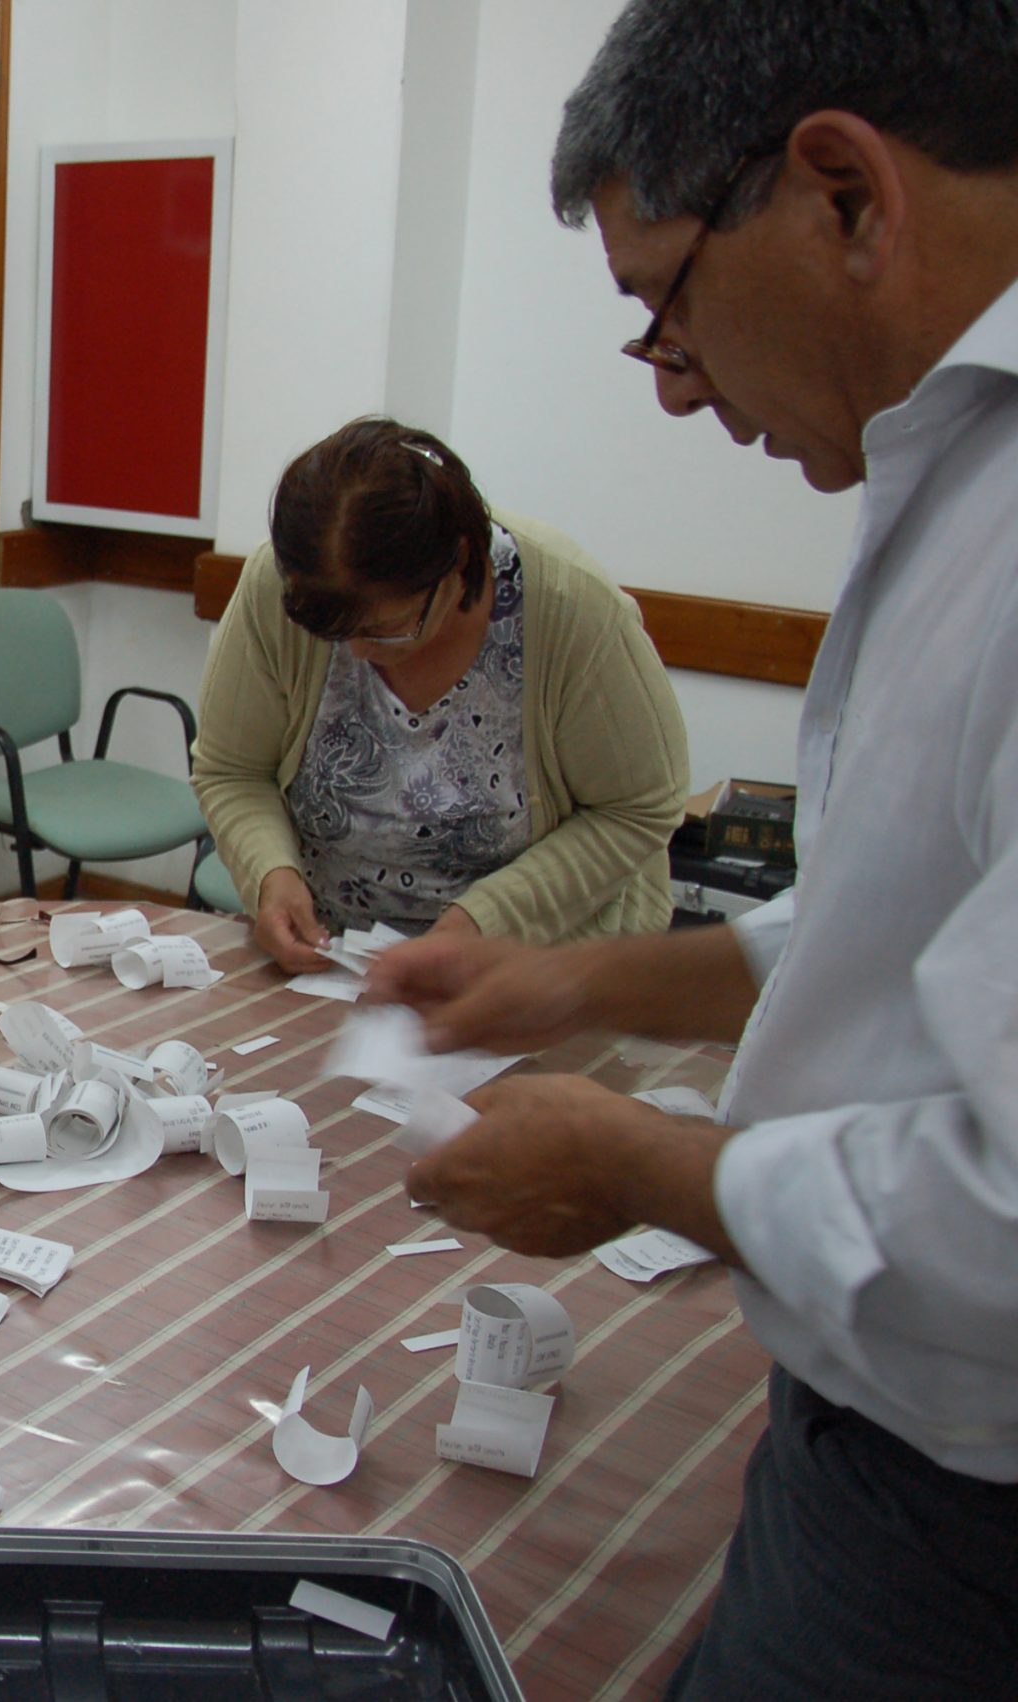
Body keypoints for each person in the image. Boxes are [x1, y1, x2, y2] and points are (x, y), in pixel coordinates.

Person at [366, 3, 1018, 1695]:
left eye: (666, 303)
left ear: (844, 197)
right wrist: (580, 976)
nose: (670, 387)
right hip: (871, 1436)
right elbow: (896, 922)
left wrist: (643, 1167)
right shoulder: (954, 472)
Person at [192, 417, 686, 973]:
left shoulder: (573, 610)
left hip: (535, 968)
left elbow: (639, 810)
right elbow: (232, 770)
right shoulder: (281, 588)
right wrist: (271, 875)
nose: (355, 653)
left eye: (386, 629)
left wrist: (484, 921)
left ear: (460, 565)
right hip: (337, 961)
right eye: (334, 635)